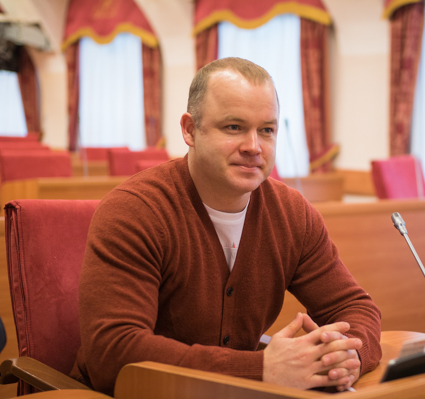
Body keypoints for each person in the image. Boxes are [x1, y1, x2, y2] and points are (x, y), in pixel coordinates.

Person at [71, 57, 382, 395]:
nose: (253, 147)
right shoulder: (135, 211)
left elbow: (355, 308)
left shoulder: (292, 213)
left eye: (267, 130)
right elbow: (114, 353)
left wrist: (348, 355)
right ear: (190, 130)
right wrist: (259, 370)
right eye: (234, 127)